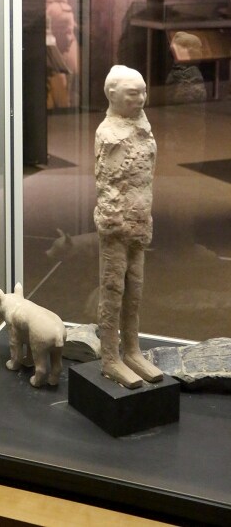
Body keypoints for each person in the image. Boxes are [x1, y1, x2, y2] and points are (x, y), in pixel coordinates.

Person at [94, 65, 163, 389]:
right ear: (113, 94)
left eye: (143, 92)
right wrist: (117, 222)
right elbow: (107, 184)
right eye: (133, 94)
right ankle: (110, 357)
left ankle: (132, 350)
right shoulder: (109, 133)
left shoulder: (142, 127)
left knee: (135, 289)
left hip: (139, 222)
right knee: (113, 290)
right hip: (117, 226)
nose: (141, 99)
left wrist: (142, 217)